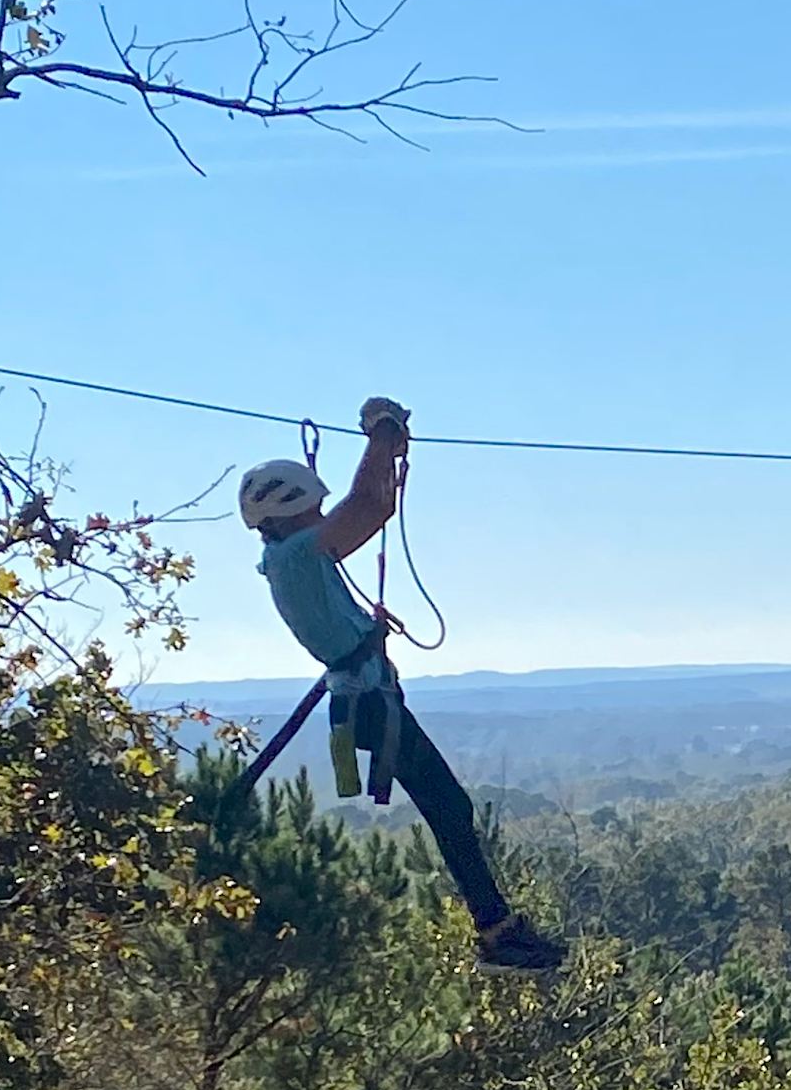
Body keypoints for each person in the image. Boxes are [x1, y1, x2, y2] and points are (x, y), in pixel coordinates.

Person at [237, 396, 566, 971]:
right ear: (292, 510)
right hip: (368, 704)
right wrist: (380, 433)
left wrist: (385, 450)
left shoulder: (295, 560)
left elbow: (375, 508)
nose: (323, 516)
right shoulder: (298, 557)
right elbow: (367, 504)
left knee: (449, 807)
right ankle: (496, 933)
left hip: (365, 702)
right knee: (450, 807)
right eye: (314, 508)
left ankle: (498, 928)